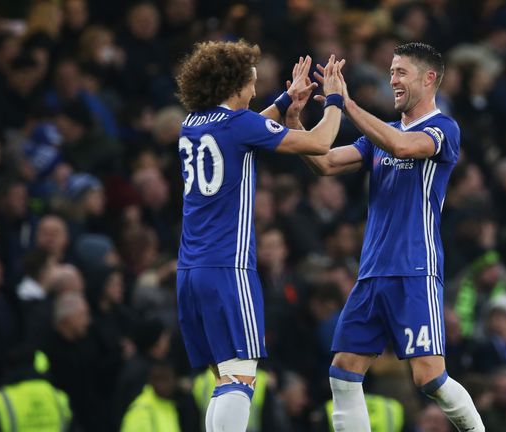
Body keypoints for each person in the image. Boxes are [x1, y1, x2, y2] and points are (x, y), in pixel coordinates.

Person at [298, 42, 484, 431]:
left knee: (429, 377)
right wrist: (296, 120)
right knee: (343, 371)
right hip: (372, 273)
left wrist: (344, 103)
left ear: (429, 78)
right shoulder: (381, 137)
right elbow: (326, 163)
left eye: (401, 72)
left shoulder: (442, 128)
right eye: (391, 72)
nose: (393, 80)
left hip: (414, 268)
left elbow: (401, 145)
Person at [173, 40, 347, 432]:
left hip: (190, 271)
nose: (255, 90)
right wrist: (334, 101)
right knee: (241, 378)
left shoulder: (193, 124)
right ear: (235, 85)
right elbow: (320, 143)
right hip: (228, 269)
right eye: (252, 82)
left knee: (224, 378)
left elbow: (249, 128)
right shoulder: (238, 125)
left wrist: (287, 99)